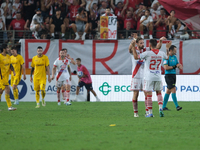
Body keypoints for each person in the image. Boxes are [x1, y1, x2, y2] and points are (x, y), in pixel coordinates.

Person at [132, 38, 168, 117]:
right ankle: (160, 108)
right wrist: (167, 49)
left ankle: (150, 112)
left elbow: (135, 57)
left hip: (149, 76)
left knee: (149, 94)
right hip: (158, 76)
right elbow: (167, 57)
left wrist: (133, 48)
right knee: (159, 92)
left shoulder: (147, 53)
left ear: (150, 45)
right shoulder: (161, 53)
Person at [163, 44, 183, 111]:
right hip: (168, 76)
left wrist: (179, 66)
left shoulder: (174, 57)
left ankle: (163, 107)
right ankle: (177, 106)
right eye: (174, 51)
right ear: (170, 50)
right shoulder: (166, 57)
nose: (175, 52)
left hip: (173, 75)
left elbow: (178, 64)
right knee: (173, 89)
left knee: (168, 91)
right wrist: (174, 66)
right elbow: (166, 67)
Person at [0, 43, 17, 111]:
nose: (8, 49)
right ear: (4, 49)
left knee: (2, 91)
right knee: (6, 89)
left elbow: (10, 65)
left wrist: (14, 71)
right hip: (1, 77)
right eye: (7, 48)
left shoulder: (8, 56)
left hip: (6, 77)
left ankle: (9, 107)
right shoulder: (0, 56)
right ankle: (9, 106)